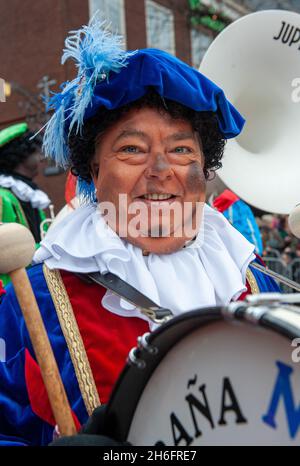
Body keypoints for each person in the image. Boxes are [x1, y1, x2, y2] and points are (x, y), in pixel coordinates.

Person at [0, 18, 279, 446]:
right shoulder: (33, 301)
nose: (161, 171)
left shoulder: (251, 278)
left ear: (203, 169)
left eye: (181, 149)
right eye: (132, 149)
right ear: (94, 169)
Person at [0, 123, 51, 285]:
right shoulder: (3, 198)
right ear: (20, 155)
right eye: (35, 152)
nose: (41, 157)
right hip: (14, 288)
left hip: (35, 277)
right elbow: (9, 249)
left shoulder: (27, 192)